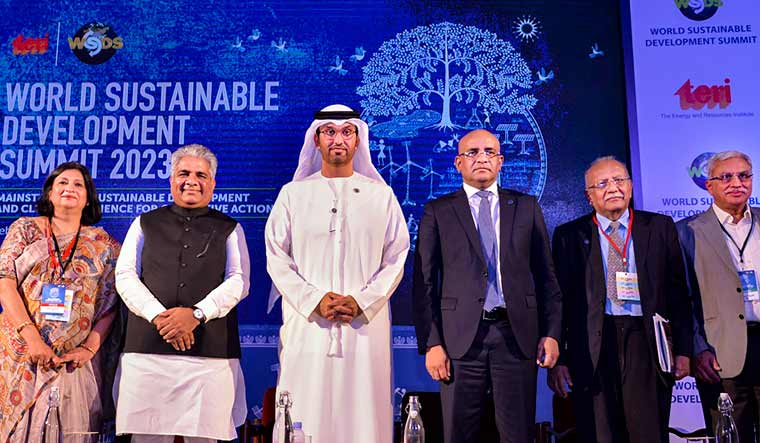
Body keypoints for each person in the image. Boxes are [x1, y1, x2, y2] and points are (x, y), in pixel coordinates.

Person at [265, 104, 409, 443]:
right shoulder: (293, 194)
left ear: (358, 140)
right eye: (329, 132)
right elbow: (276, 256)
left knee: (364, 418)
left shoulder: (381, 196)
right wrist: (314, 300)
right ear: (316, 140)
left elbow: (397, 257)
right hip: (308, 326)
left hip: (364, 328)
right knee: (304, 411)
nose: (338, 140)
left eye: (346, 132)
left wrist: (361, 300)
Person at [412, 128, 562, 442]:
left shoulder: (525, 206)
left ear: (500, 161)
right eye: (473, 152)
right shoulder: (438, 211)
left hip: (516, 335)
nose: (482, 158)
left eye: (489, 152)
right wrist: (432, 343)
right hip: (459, 340)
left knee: (518, 434)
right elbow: (424, 283)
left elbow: (547, 278)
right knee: (459, 434)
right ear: (458, 163)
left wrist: (551, 332)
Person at [548, 156, 692, 442]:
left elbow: (678, 293)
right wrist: (559, 359)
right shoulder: (569, 236)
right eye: (602, 183)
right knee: (601, 432)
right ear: (589, 196)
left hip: (647, 340)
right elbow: (558, 301)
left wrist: (684, 350)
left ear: (631, 186)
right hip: (593, 345)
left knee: (649, 430)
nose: (613, 188)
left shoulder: (659, 227)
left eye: (619, 180)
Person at [113, 144, 250, 443]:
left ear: (212, 183)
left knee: (205, 437)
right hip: (147, 351)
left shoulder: (229, 228)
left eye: (201, 175)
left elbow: (238, 281)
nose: (192, 181)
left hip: (210, 356)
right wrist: (159, 317)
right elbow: (124, 275)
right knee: (147, 436)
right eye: (183, 173)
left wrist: (196, 315)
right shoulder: (144, 223)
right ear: (172, 179)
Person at [0, 162, 121, 443]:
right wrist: (31, 338)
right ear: (50, 194)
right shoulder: (26, 230)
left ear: (88, 198)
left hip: (74, 363)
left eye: (79, 185)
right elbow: (4, 282)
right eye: (62, 183)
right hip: (23, 354)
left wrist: (88, 349)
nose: (70, 188)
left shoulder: (104, 245)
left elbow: (110, 305)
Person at [677, 150, 760, 442]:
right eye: (726, 177)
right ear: (709, 185)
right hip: (719, 352)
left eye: (744, 175)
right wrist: (698, 347)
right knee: (730, 434)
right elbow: (682, 300)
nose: (736, 182)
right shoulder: (687, 231)